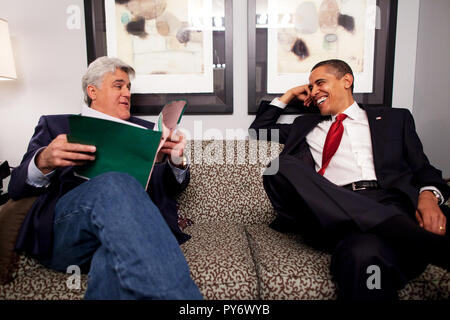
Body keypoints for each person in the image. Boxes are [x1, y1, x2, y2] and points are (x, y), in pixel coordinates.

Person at [249, 59, 450, 300]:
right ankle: (417, 239)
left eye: (320, 83)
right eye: (310, 87)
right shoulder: (305, 125)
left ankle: (398, 233)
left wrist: (428, 196)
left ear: (347, 80)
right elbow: (258, 130)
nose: (313, 91)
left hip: (388, 205)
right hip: (331, 210)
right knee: (280, 167)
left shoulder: (396, 119)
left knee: (362, 257)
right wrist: (290, 94)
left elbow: (423, 168)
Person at [8, 56, 202, 300]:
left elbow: (174, 187)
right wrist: (43, 160)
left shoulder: (146, 132)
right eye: (119, 85)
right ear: (93, 91)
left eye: (129, 87)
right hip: (68, 232)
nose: (127, 93)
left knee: (111, 258)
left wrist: (176, 159)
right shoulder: (56, 125)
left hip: (127, 232)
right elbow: (15, 186)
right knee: (115, 182)